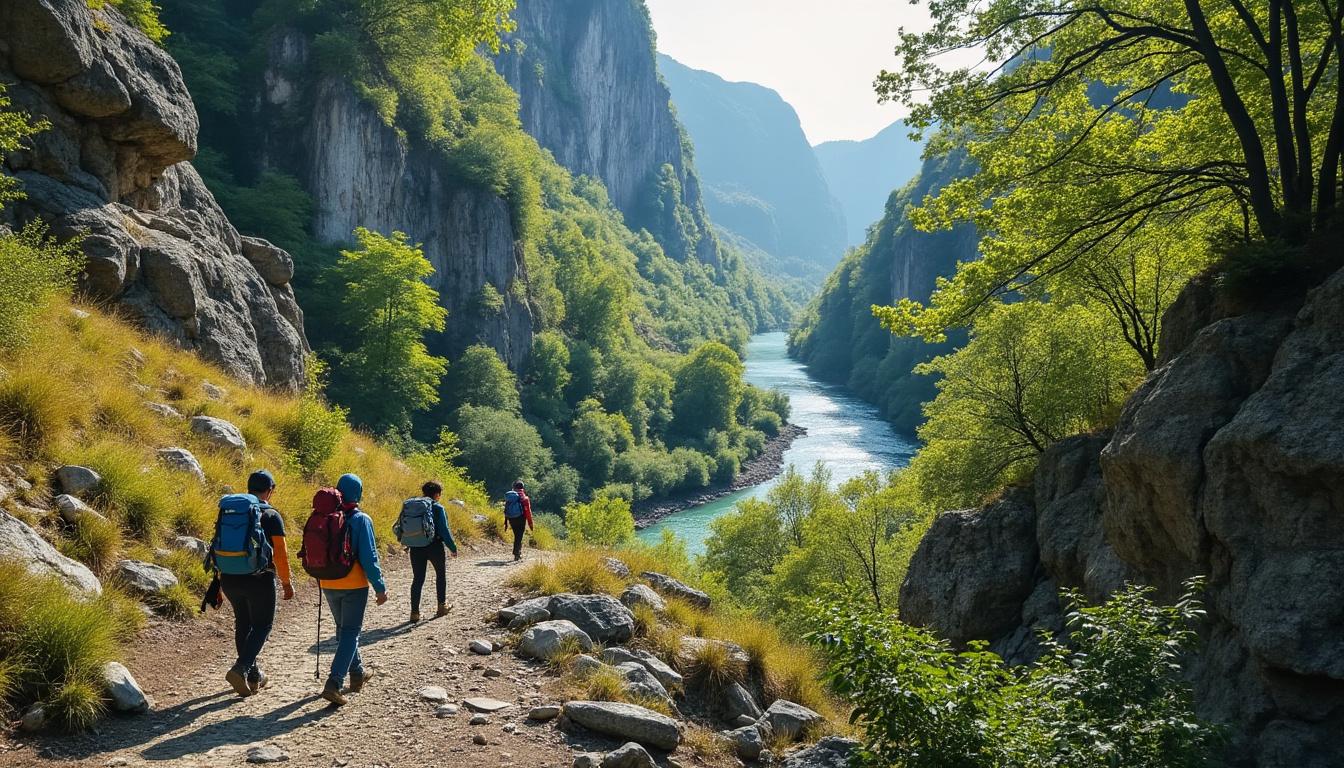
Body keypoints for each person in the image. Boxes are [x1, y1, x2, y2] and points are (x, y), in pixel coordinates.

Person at [218, 470, 294, 697]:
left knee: (243, 622)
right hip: (259, 579)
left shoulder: (230, 511)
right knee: (262, 626)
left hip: (229, 576)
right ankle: (241, 669)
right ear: (270, 491)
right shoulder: (271, 515)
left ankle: (253, 676)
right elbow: (280, 553)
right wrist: (287, 582)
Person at [318, 473, 388, 706]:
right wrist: (379, 587)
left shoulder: (324, 516)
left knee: (342, 630)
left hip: (327, 582)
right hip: (353, 584)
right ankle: (334, 683)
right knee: (350, 632)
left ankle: (357, 673)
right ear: (358, 493)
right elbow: (370, 558)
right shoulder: (361, 519)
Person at [404, 481, 458, 623]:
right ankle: (442, 606)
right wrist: (452, 547)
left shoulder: (413, 507)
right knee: (440, 574)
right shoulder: (438, 508)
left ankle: (414, 613)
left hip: (416, 547)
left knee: (418, 579)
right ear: (437, 494)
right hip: (435, 547)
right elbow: (444, 531)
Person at [503, 480, 533, 562]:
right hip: (521, 518)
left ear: (514, 487)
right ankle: (517, 553)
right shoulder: (524, 498)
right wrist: (530, 524)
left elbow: (506, 508)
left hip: (511, 518)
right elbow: (528, 512)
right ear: (522, 488)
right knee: (519, 536)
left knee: (516, 535)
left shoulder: (510, 496)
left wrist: (506, 521)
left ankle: (517, 552)